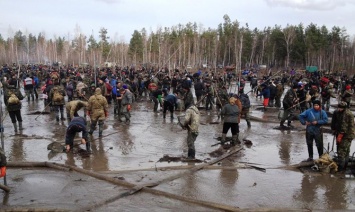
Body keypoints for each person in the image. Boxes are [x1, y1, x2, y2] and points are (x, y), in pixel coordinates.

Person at [331, 101, 355, 171]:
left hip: (347, 135)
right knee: (345, 151)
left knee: (341, 151)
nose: (339, 109)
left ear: (345, 108)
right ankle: (344, 167)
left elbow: (344, 126)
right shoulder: (337, 112)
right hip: (342, 133)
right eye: (339, 107)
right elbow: (335, 122)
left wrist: (340, 136)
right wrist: (334, 129)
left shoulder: (347, 114)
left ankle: (340, 169)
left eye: (341, 108)